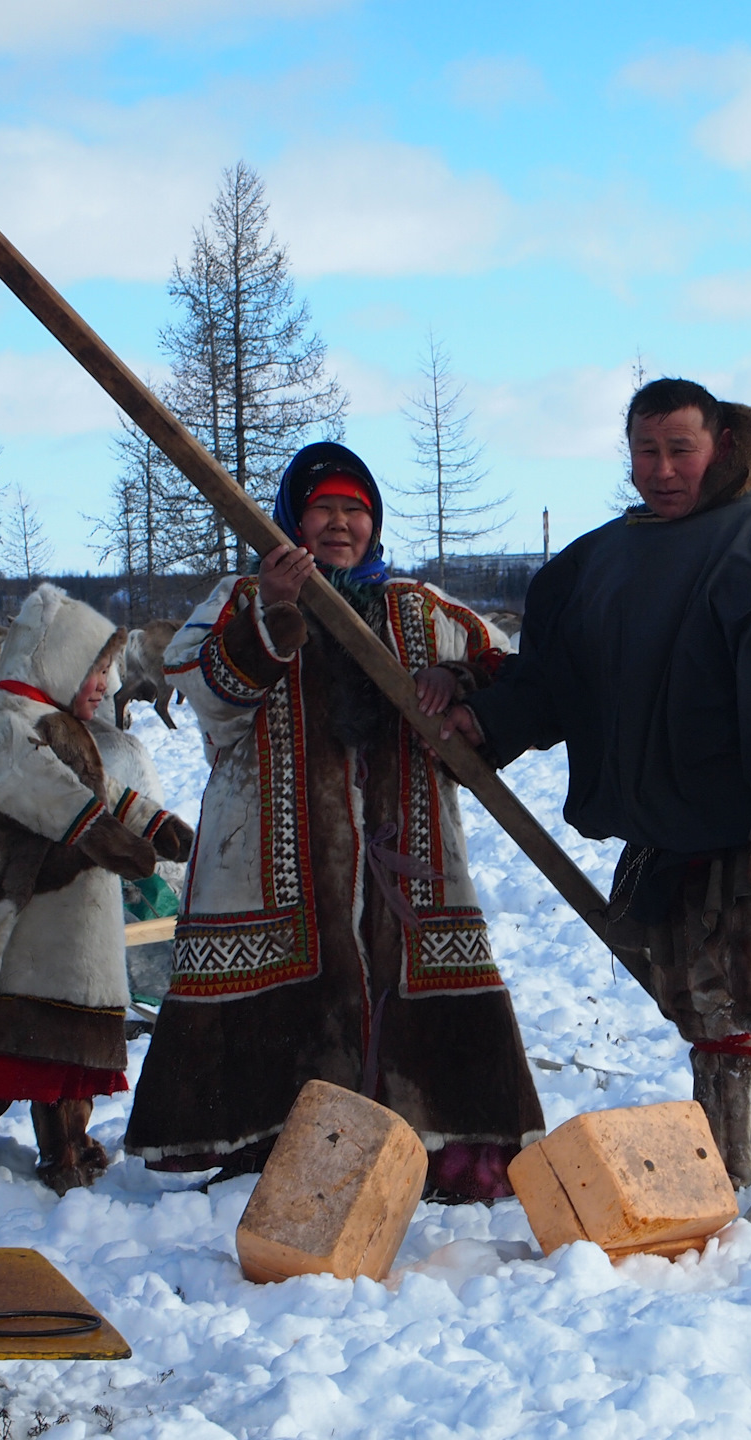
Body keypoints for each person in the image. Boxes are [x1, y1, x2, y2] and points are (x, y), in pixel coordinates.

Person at [449, 379, 751, 1219]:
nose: (662, 470)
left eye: (680, 450)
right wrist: (485, 717)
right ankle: (724, 1172)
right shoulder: (593, 566)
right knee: (703, 1004)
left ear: (720, 447)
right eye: (646, 451)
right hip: (670, 831)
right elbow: (551, 682)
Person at [124, 442, 545, 1200]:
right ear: (293, 518)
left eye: (356, 510)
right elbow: (203, 689)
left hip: (407, 857)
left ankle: (442, 1148)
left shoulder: (419, 607)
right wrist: (275, 614)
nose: (341, 523)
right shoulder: (239, 597)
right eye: (324, 509)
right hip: (264, 855)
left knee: (413, 982)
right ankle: (258, 1146)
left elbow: (505, 670)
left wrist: (456, 681)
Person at [0, 583, 195, 1196]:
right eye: (99, 667)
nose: (107, 684)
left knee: (66, 1051)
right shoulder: (6, 723)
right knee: (6, 1057)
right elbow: (45, 793)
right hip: (12, 935)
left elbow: (96, 788)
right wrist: (108, 837)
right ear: (61, 661)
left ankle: (69, 1150)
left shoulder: (53, 723)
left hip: (59, 934)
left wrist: (151, 823)